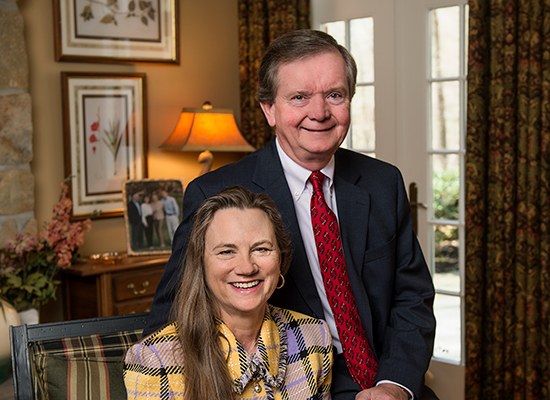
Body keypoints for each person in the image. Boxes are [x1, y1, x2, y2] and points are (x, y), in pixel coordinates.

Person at [146, 29, 436, 400]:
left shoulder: (383, 183)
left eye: (335, 95)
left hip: (386, 379)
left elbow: (412, 298)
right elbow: (173, 316)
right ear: (269, 109)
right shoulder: (214, 194)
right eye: (299, 97)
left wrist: (394, 385)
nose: (320, 113)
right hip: (289, 385)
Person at [124, 186, 334, 399]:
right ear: (201, 264)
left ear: (280, 259)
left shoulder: (315, 338)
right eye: (226, 252)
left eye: (261, 249)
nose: (246, 268)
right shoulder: (154, 359)